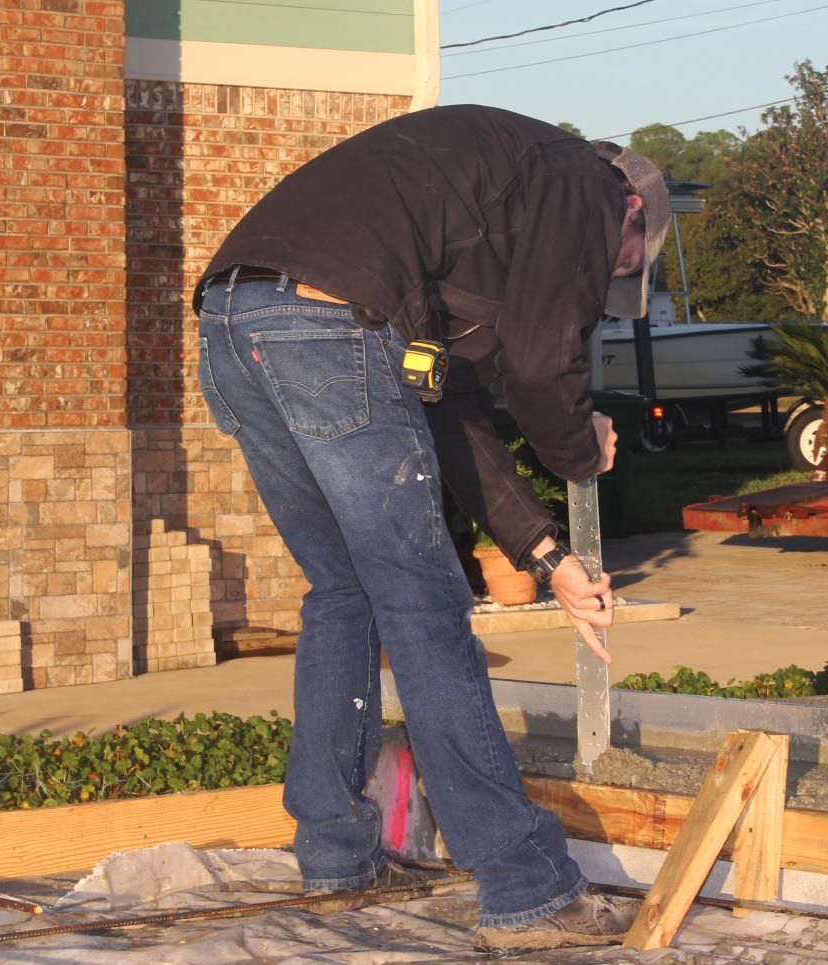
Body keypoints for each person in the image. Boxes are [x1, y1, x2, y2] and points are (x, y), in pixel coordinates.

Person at [191, 104, 670, 953]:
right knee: (423, 602)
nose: (603, 281)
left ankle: (337, 856)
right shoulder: (587, 182)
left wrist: (546, 554)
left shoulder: (467, 226)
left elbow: (449, 409)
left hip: (235, 322)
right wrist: (577, 439)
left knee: (346, 592)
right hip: (327, 323)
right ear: (632, 209)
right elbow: (539, 362)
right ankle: (527, 890)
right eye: (619, 268)